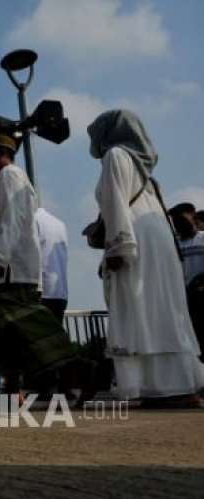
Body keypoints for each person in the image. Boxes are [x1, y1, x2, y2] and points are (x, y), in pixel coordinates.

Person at [88, 109, 204, 407]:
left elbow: (116, 203)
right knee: (159, 310)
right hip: (157, 241)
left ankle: (167, 387)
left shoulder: (116, 155)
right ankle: (167, 386)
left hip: (137, 240)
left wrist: (117, 247)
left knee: (142, 310)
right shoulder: (144, 172)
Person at [0, 133, 95, 405]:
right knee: (6, 336)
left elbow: (13, 219)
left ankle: (80, 369)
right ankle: (12, 392)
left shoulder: (10, 176)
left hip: (9, 273)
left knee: (34, 331)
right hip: (3, 273)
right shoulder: (7, 180)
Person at [169, 202, 204, 361]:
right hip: (182, 300)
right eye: (175, 222)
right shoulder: (172, 244)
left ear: (194, 218)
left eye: (182, 220)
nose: (178, 224)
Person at [35, 207, 69, 323]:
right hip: (61, 292)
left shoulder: (33, 221)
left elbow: (34, 254)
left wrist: (38, 286)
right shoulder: (61, 225)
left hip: (43, 292)